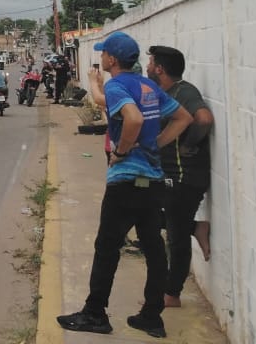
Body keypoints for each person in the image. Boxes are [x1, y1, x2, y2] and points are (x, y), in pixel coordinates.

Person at [58, 32, 192, 338]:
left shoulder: (118, 85)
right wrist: (156, 145)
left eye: (104, 54)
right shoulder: (148, 86)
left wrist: (121, 151)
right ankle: (151, 317)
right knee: (153, 248)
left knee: (107, 247)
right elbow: (183, 118)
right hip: (152, 180)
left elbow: (131, 119)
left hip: (126, 182)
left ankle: (95, 313)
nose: (102, 58)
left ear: (112, 60)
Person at [146, 45, 214, 309]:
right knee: (142, 212)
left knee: (175, 237)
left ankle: (171, 295)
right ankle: (195, 227)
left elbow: (204, 119)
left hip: (184, 177)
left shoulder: (184, 91)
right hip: (169, 176)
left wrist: (189, 145)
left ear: (159, 68)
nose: (148, 66)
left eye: (151, 62)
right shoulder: (165, 93)